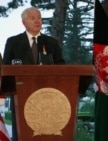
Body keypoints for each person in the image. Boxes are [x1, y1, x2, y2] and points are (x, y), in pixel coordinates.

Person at [2, 7, 65, 141]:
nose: (37, 21)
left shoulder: (51, 43)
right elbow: (5, 68)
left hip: (47, 96)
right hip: (21, 94)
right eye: (32, 18)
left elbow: (61, 66)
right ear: (24, 22)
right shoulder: (13, 42)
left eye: (39, 17)